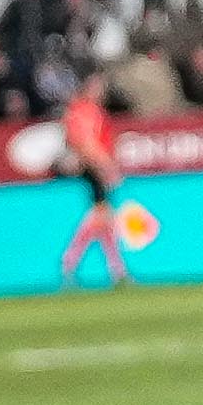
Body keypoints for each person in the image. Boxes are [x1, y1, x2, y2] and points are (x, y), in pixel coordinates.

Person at [53, 71, 144, 290]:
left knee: (103, 221)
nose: (101, 92)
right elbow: (87, 145)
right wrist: (106, 167)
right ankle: (73, 262)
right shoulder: (87, 111)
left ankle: (115, 269)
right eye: (97, 87)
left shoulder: (77, 111)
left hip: (91, 168)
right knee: (100, 218)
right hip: (92, 170)